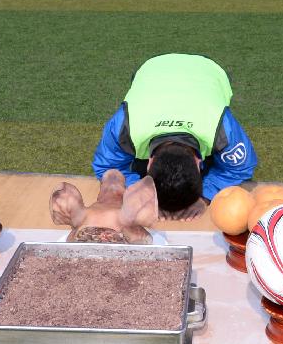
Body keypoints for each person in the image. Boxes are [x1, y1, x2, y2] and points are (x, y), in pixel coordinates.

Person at [91, 53, 258, 221]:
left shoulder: (222, 128)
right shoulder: (123, 125)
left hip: (206, 70)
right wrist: (143, 193)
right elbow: (107, 167)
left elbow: (241, 167)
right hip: (152, 68)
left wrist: (205, 196)